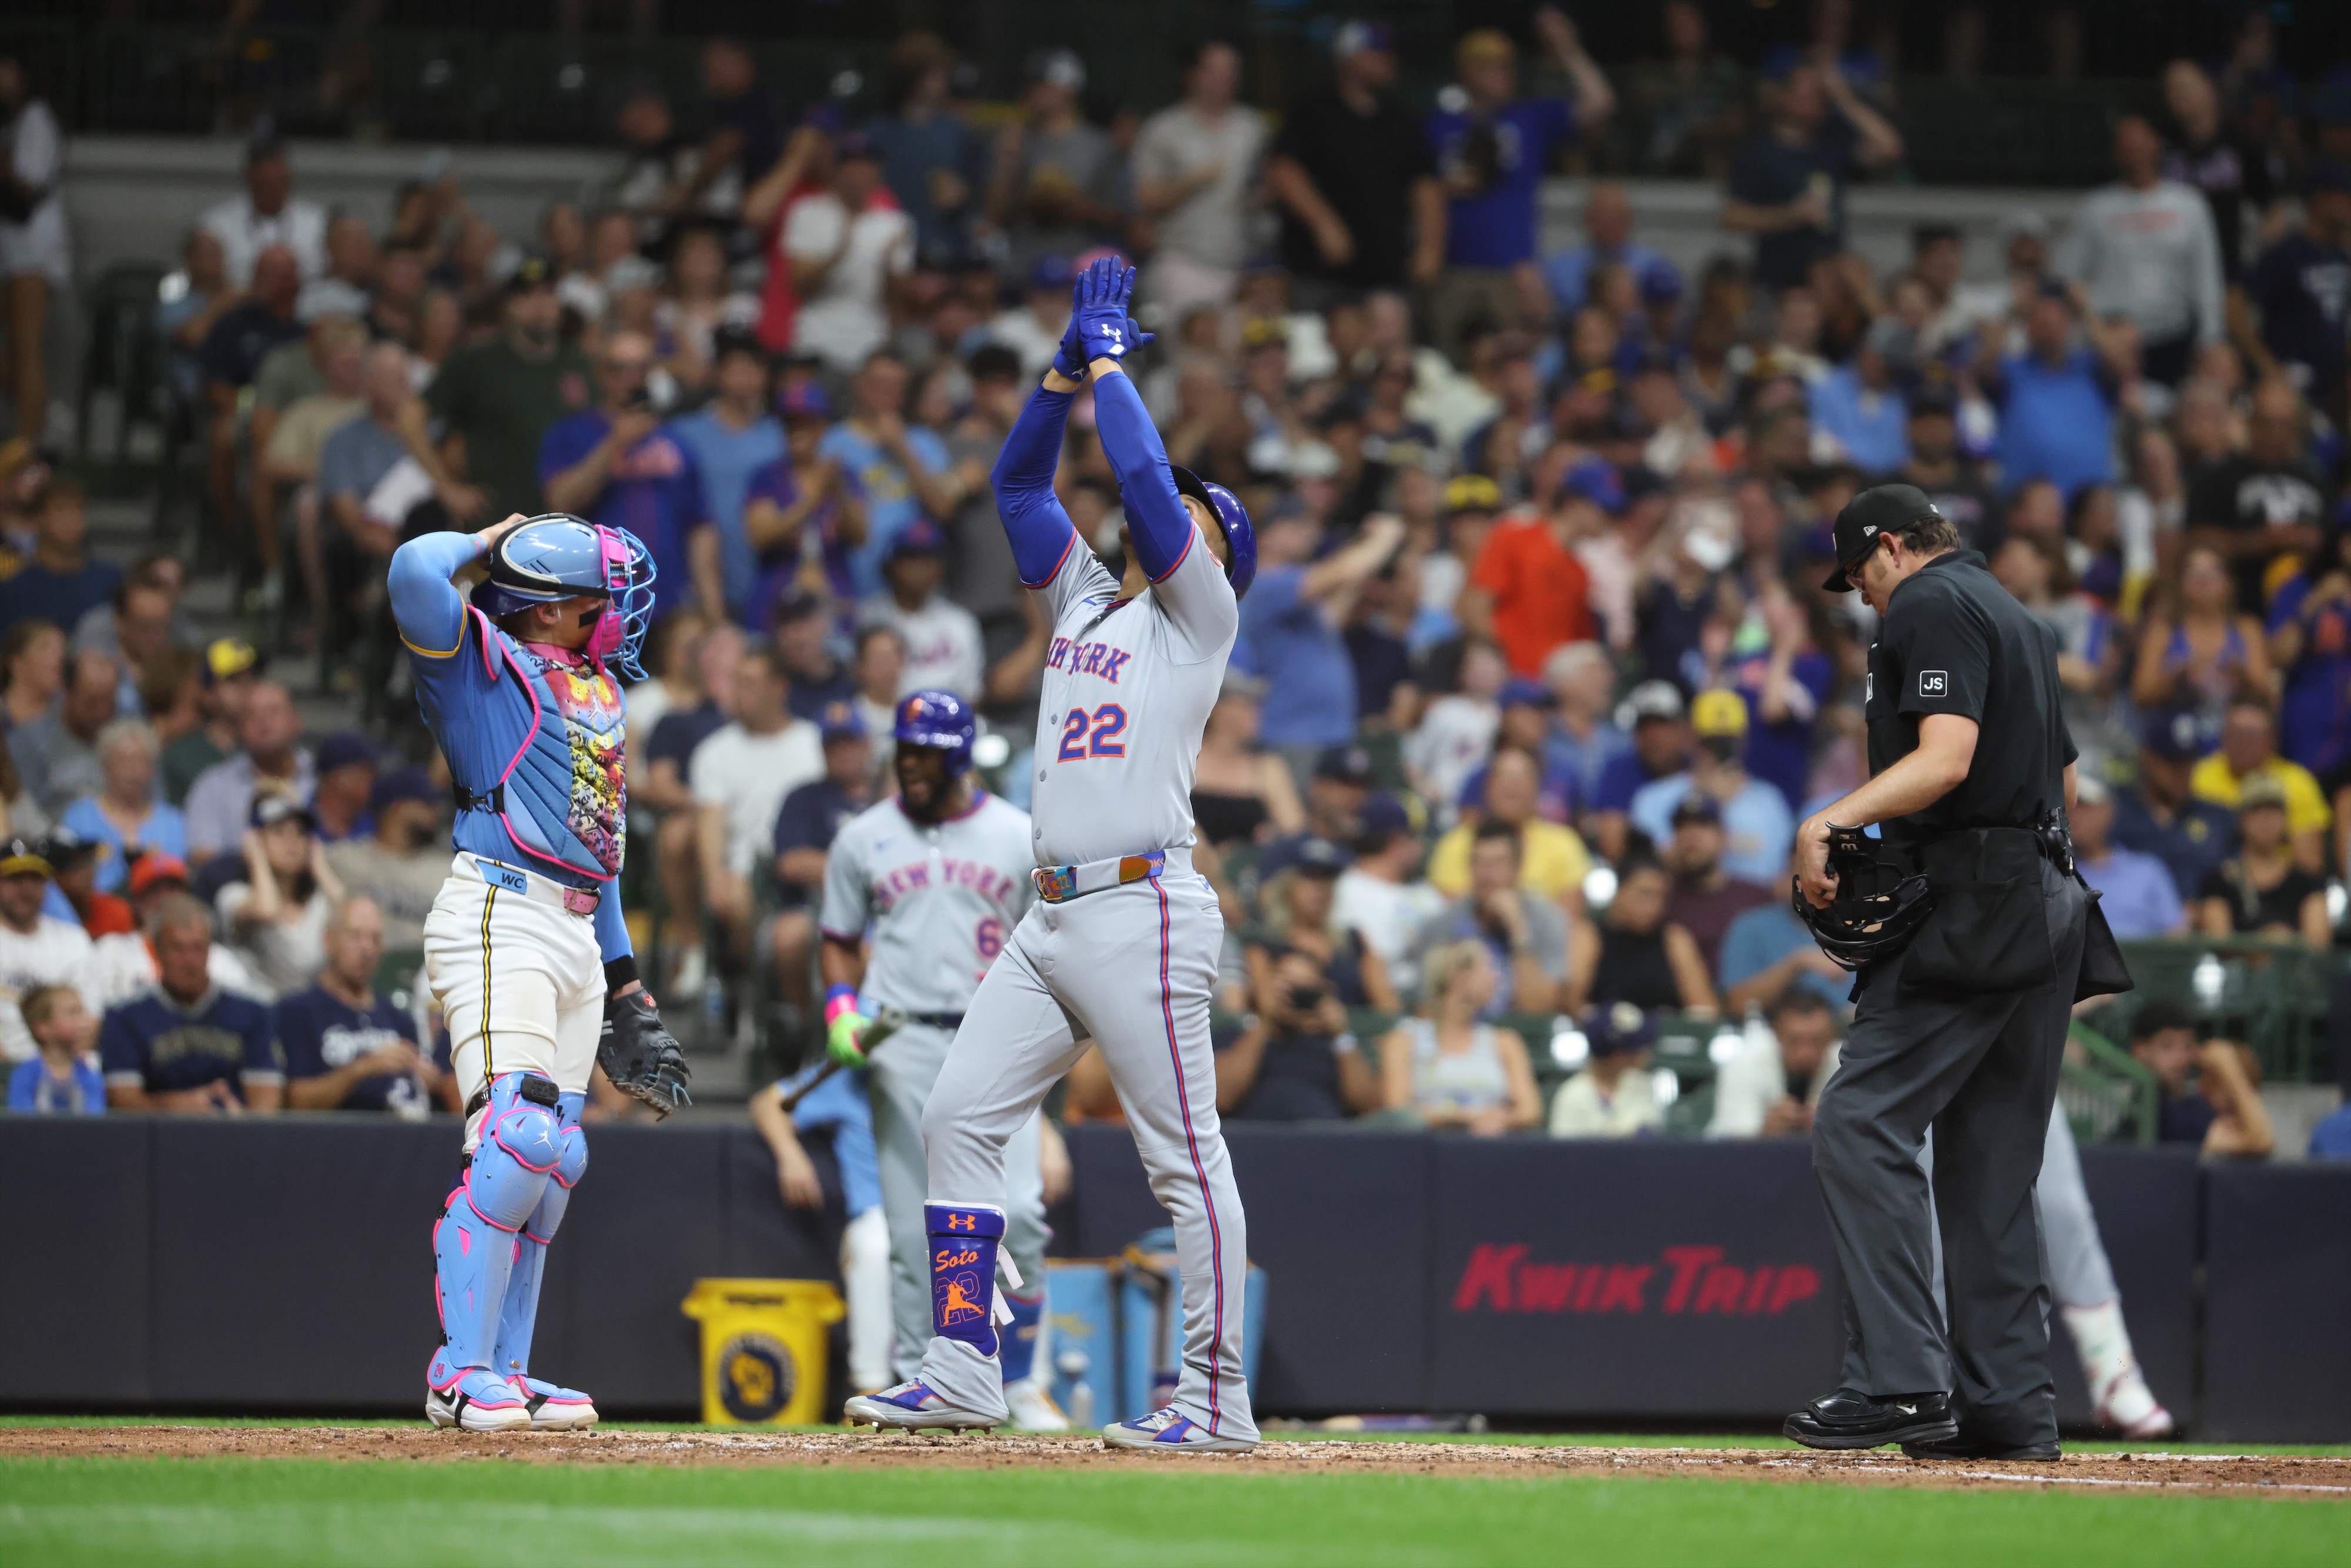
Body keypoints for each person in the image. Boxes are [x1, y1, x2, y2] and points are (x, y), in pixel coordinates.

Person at [847, 258, 1261, 1450]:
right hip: (1050, 918)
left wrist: (1116, 362)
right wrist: (1059, 372)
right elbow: (1016, 479)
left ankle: (1216, 1393)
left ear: (1208, 544)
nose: (1154, 505)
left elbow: (1134, 467)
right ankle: (966, 1363)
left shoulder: (1202, 612)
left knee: (1181, 1161)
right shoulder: (1088, 599)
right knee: (959, 1115)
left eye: (1181, 506)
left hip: (1145, 906)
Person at [1789, 481, 2116, 1460]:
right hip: (2046, 900)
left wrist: (1831, 818)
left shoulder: (1928, 602)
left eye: (1861, 578)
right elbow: (2062, 781)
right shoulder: (2017, 613)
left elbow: (1947, 756)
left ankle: (1898, 1382)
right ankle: (2009, 1407)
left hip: (1975, 905)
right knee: (1991, 1168)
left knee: (1860, 1122)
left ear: (1891, 546)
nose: (1864, 598)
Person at [388, 511, 689, 1433]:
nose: (615, 611)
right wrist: (487, 538)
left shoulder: (598, 691)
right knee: (515, 1140)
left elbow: (594, 853)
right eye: (598, 599)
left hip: (570, 926)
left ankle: (506, 1373)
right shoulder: (484, 669)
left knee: (557, 1160)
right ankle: (458, 1371)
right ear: (547, 611)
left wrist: (627, 979)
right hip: (498, 908)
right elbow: (410, 572)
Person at [814, 689, 1062, 1429]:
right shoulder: (863, 836)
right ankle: (920, 1375)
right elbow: (836, 933)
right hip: (903, 1038)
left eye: (928, 752)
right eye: (907, 750)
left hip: (998, 1035)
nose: (913, 765)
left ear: (958, 754)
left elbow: (1054, 936)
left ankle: (1013, 1378)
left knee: (1016, 1211)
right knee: (909, 1225)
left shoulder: (1020, 834)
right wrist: (839, 1009)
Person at [1424, 12, 1615, 357]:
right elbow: (1409, 190)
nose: (1503, 73)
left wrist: (1566, 48)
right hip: (1452, 268)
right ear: (1466, 71)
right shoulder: (1437, 125)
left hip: (1513, 270)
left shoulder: (1528, 119)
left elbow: (1600, 104)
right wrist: (1444, 189)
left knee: (1514, 363)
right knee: (1449, 359)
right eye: (1489, 66)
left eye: (1506, 65)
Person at [537, 329, 709, 622]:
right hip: (593, 607)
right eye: (619, 369)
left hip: (667, 605)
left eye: (640, 368)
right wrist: (615, 444)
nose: (630, 378)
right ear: (601, 374)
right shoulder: (571, 434)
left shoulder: (676, 441)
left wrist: (711, 609)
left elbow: (701, 529)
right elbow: (559, 502)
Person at [1265, 21, 1443, 304]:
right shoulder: (1313, 111)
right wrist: (1324, 224)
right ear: (1347, 59)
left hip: (1387, 277)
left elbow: (1425, 186)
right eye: (1377, 53)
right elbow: (1285, 171)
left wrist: (1430, 248)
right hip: (1321, 275)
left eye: (1389, 54)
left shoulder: (1402, 119)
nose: (1388, 61)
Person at [749, 1059, 893, 1393]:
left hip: (946, 1212)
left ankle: (1016, 1385)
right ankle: (869, 1388)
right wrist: (790, 1154)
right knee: (875, 1248)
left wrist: (1044, 1141)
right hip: (877, 1212)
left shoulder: (953, 1063)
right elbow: (767, 1103)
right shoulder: (852, 1075)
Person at [1239, 511, 1406, 776]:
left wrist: (1362, 544)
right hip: (1293, 735)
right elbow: (1344, 572)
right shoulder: (1265, 584)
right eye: (1291, 524)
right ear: (1265, 537)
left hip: (1328, 734)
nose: (1304, 531)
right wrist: (1385, 538)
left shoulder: (1299, 598)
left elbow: (1340, 598)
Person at [2061, 115, 2224, 384]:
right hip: (2111, 340)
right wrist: (2091, 329)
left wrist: (2211, 338)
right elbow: (2066, 277)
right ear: (2116, 152)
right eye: (2127, 144)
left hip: (2173, 337)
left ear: (2157, 145)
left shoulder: (2190, 205)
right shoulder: (2095, 208)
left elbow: (2206, 277)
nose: (2135, 151)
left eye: (2141, 142)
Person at [423, 256, 585, 521]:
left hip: (570, 526)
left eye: (548, 293)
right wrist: (447, 487)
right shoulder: (479, 362)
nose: (541, 305)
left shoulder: (579, 363)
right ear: (509, 306)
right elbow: (410, 417)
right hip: (498, 526)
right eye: (527, 296)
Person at [691, 644, 824, 970]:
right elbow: (711, 818)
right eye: (736, 682)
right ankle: (754, 984)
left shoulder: (813, 742)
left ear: (779, 688)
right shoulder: (716, 751)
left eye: (749, 684)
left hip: (807, 866)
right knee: (736, 894)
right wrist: (714, 877)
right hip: (750, 872)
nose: (738, 693)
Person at [1721, 59, 1903, 292]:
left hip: (1828, 284)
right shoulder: (1760, 153)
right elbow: (1732, 217)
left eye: (1816, 92)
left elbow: (1889, 147)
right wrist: (1790, 215)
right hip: (1779, 280)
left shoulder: (1831, 147)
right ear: (1784, 95)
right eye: (1800, 88)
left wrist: (1844, 98)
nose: (1807, 96)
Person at [98, 892, 282, 1114]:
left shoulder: (254, 1013)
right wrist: (181, 1107)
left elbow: (267, 1101)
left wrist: (239, 1122)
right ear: (157, 951)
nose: (190, 961)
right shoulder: (125, 1016)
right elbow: (122, 1102)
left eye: (198, 948)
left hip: (235, 1139)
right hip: (154, 1141)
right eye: (178, 949)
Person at [279, 895, 453, 1117]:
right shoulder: (299, 1010)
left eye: (375, 939)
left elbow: (425, 1087)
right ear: (328, 941)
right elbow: (296, 1102)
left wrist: (429, 1081)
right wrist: (363, 1068)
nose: (367, 949)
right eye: (355, 936)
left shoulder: (397, 1017)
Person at [1132, 40, 1265, 317]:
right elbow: (1146, 198)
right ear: (1193, 75)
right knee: (1187, 355)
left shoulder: (1252, 126)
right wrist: (1193, 181)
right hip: (1184, 261)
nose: (1226, 79)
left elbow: (1265, 188)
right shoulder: (1164, 129)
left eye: (1232, 71)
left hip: (1243, 265)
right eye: (1215, 71)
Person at [668, 329, 785, 629]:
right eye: (737, 366)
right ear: (718, 373)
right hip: (701, 581)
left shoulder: (780, 436)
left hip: (769, 578)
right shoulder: (685, 434)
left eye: (754, 367)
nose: (746, 376)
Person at [820, 351, 960, 599]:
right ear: (859, 384)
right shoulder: (832, 443)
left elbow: (943, 508)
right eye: (879, 383)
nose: (887, 392)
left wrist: (902, 447)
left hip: (915, 586)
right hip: (853, 583)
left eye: (896, 386)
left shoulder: (924, 441)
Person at [2183, 377, 2328, 616]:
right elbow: (2194, 541)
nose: (2274, 434)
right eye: (2267, 423)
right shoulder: (2218, 479)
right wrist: (2264, 541)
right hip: (2238, 613)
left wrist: (2318, 543)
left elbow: (2336, 540)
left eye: (2283, 425)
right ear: (2251, 422)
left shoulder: (2317, 483)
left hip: (2305, 617)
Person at [1628, 690, 1794, 887]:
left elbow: (1783, 874)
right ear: (1691, 740)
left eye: (1727, 743)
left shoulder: (1768, 800)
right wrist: (1707, 803)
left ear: (1744, 742)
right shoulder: (1655, 799)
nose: (1719, 753)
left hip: (1754, 908)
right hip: (1685, 906)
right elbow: (1650, 874)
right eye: (1710, 742)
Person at [785, 133, 916, 376]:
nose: (861, 174)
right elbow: (799, 288)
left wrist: (888, 266)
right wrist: (838, 254)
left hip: (869, 346)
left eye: (869, 167)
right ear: (838, 171)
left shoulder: (896, 224)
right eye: (854, 166)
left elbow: (898, 303)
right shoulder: (809, 212)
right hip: (815, 342)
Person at [1380, 939, 1541, 1134]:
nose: (1495, 977)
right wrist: (1466, 1118)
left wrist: (1503, 1120)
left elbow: (1530, 1110)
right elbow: (1397, 1109)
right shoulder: (1403, 1041)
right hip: (1426, 1152)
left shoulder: (1505, 1042)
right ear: (1458, 977)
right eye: (1487, 968)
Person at [1426, 746, 1593, 907]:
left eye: (1522, 776)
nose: (1512, 785)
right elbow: (1450, 914)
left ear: (1538, 786)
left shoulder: (1564, 843)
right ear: (1487, 786)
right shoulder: (1455, 844)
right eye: (1503, 776)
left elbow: (1570, 918)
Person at [0, 54, 68, 445]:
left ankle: (29, 446)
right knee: (14, 356)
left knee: (27, 349)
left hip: (35, 246)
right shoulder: (8, 125)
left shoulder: (37, 118)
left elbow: (27, 186)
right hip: (10, 247)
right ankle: (45, 423)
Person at [217, 793, 343, 998]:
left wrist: (321, 868)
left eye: (300, 833)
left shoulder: (319, 902)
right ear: (256, 839)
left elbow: (354, 921)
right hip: (258, 1009)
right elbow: (267, 909)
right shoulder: (234, 895)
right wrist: (256, 857)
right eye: (279, 832)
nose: (292, 842)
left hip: (308, 1012)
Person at [2110, 707, 2238, 904]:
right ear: (2147, 758)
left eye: (2189, 760)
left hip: (2204, 928)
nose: (2182, 771)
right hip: (2135, 930)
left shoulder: (2218, 817)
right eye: (2172, 761)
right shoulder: (2117, 815)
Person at [2188, 698, 2330, 870]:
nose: (2243, 743)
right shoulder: (2199, 777)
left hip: (2281, 885)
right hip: (2212, 879)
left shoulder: (2298, 783)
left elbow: (2310, 865)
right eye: (2237, 734)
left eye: (2252, 735)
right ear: (2223, 738)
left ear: (2272, 740)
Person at [1565, 853, 1715, 1015]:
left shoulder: (1674, 940)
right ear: (1618, 891)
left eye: (1660, 897)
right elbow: (1571, 1000)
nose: (1653, 906)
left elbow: (1704, 1008)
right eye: (1644, 894)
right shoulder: (1589, 936)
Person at [181, 680, 312, 865]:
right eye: (252, 715)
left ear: (297, 721)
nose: (263, 721)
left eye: (273, 711)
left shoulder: (320, 778)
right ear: (240, 728)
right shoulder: (213, 786)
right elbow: (203, 860)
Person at [2125, 1001, 2274, 1160]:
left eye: (2188, 1046)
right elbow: (2262, 1140)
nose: (2181, 1058)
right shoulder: (2158, 1110)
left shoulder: (2194, 1106)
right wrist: (2228, 1064)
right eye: (2167, 1047)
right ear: (2140, 1051)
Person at [2195, 773, 2329, 947]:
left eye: (2273, 809)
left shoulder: (2307, 882)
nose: (2265, 818)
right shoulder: (2219, 882)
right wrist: (2264, 943)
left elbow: (2318, 945)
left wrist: (2284, 943)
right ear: (2241, 819)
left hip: (2295, 972)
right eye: (2256, 809)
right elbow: (2219, 943)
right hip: (2238, 973)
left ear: (2285, 817)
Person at [858, 521, 984, 702]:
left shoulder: (961, 622)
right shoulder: (869, 618)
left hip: (948, 724)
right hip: (886, 724)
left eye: (929, 558)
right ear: (893, 565)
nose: (920, 567)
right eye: (911, 557)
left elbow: (971, 695)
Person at [323, 767, 444, 951]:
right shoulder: (342, 858)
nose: (437, 812)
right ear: (399, 807)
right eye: (428, 805)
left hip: (420, 973)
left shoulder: (446, 871)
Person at [59, 718, 185, 894]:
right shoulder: (79, 817)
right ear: (106, 766)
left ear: (152, 768)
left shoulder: (173, 822)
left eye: (141, 760)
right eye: (124, 760)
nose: (133, 770)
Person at [1659, 793, 1775, 975]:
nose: (1691, 837)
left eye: (1703, 826)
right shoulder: (1661, 898)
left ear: (1724, 838)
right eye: (1682, 828)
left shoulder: (1756, 897)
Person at [0, 837, 93, 1061]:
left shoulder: (74, 941)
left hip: (65, 1066)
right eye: (15, 878)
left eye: (35, 879)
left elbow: (90, 1021)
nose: (26, 888)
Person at [1709, 987, 1842, 1138]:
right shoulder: (1745, 1061)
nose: (1806, 1053)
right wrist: (1765, 1132)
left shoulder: (1849, 1064)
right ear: (1776, 1034)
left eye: (1817, 1041)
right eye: (1794, 1041)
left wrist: (1832, 1131)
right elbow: (1729, 1144)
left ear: (1832, 1036)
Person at [0, 480, 120, 644]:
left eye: (79, 509)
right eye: (61, 509)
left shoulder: (113, 581)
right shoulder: (15, 591)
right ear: (37, 519)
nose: (72, 519)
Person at [2068, 776, 2186, 938]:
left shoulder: (2147, 871)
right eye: (2068, 806)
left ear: (2108, 812)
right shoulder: (2050, 874)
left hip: (2140, 962)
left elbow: (2176, 934)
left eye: (2084, 807)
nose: (2074, 816)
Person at [200, 138, 326, 286]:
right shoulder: (216, 225)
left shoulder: (318, 223)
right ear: (250, 180)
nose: (272, 191)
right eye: (265, 184)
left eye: (279, 182)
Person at [11, 648, 118, 818]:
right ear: (67, 692)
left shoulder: (127, 739)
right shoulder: (29, 742)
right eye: (91, 703)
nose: (101, 713)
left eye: (109, 703)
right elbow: (24, 813)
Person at [1548, 1000, 1663, 1137]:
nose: (1644, 1054)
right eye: (1635, 1050)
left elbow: (1649, 1139)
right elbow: (1562, 1153)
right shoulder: (1573, 1094)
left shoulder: (1642, 1085)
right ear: (1616, 1056)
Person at [6, 984, 103, 1114]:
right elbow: (21, 1125)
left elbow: (96, 1124)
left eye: (83, 1012)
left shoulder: (89, 1074)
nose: (84, 1020)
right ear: (43, 1028)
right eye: (73, 1013)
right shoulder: (25, 1075)